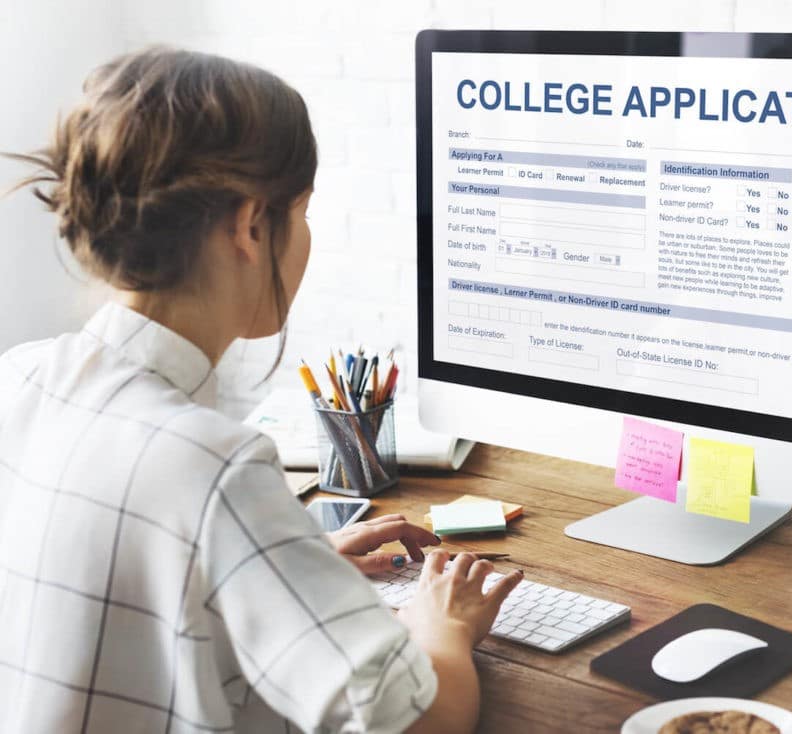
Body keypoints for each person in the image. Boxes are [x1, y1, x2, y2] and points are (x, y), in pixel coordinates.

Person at [0, 47, 521, 733]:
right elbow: (422, 721)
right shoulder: (214, 465)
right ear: (250, 226)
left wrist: (281, 562)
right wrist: (443, 624)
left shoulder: (18, 378)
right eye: (301, 212)